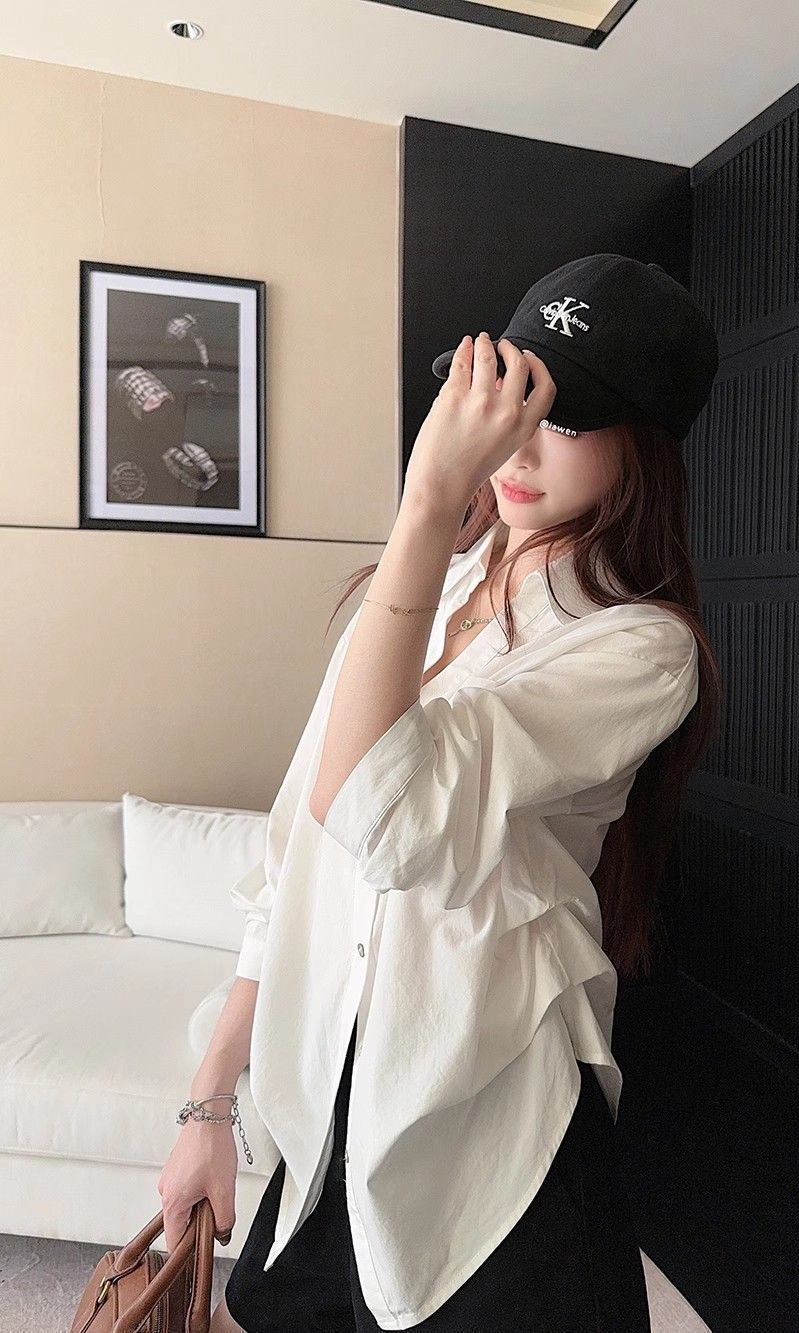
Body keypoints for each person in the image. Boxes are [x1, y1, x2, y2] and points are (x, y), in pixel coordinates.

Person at [156, 254, 722, 1331]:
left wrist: (422, 507)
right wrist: (211, 1101)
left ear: (642, 448)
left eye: (564, 418)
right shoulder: (439, 581)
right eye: (510, 403)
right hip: (333, 1091)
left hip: (489, 1113)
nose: (516, 445)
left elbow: (383, 815)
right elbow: (296, 858)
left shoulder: (641, 648)